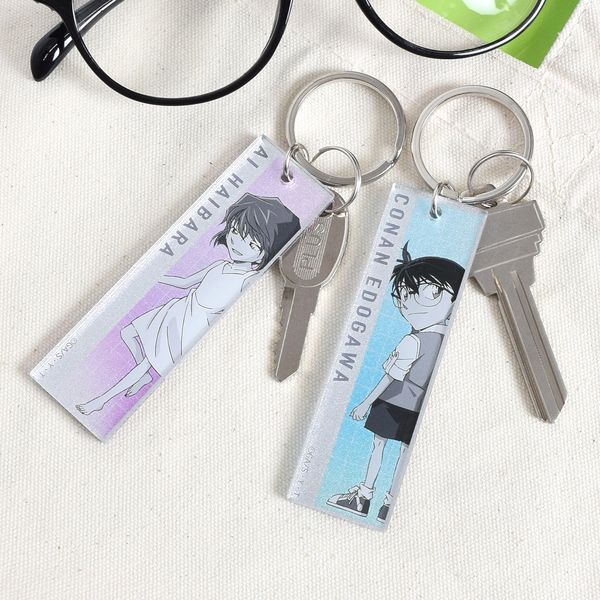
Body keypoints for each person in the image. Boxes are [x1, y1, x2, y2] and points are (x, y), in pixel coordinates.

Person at [76, 193, 300, 415]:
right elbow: (185, 282)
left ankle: (101, 401)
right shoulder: (220, 265)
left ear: (266, 252)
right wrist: (155, 276)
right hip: (176, 311)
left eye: (251, 242)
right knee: (128, 333)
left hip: (188, 328)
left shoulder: (248, 280)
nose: (237, 243)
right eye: (234, 231)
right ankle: (142, 377)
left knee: (147, 362)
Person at [327, 244, 464, 522]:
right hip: (416, 408)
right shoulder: (444, 339)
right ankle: (387, 503)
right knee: (403, 451)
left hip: (392, 402)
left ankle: (364, 496)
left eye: (428, 293)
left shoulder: (412, 341)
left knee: (379, 446)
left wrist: (365, 403)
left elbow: (390, 377)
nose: (407, 305)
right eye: (402, 298)